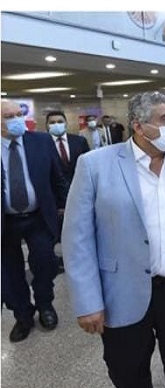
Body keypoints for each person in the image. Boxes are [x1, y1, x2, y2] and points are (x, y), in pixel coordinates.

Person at [62, 92, 165, 388]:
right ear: (138, 126)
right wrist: (87, 302)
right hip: (122, 290)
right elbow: (77, 240)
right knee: (128, 373)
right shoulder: (95, 165)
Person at [1, 99, 67, 342]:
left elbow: (57, 177)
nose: (17, 120)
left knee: (45, 264)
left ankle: (45, 304)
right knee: (9, 274)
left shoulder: (41, 141)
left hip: (39, 217)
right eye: (9, 116)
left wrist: (65, 206)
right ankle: (22, 315)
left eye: (19, 114)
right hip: (5, 222)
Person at [45, 110, 90, 274]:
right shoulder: (43, 144)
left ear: (66, 123)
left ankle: (79, 259)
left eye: (59, 121)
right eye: (52, 122)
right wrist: (58, 203)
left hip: (79, 193)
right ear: (47, 126)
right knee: (55, 233)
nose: (56, 125)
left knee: (79, 230)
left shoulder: (79, 141)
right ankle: (57, 261)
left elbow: (88, 168)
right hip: (54, 198)